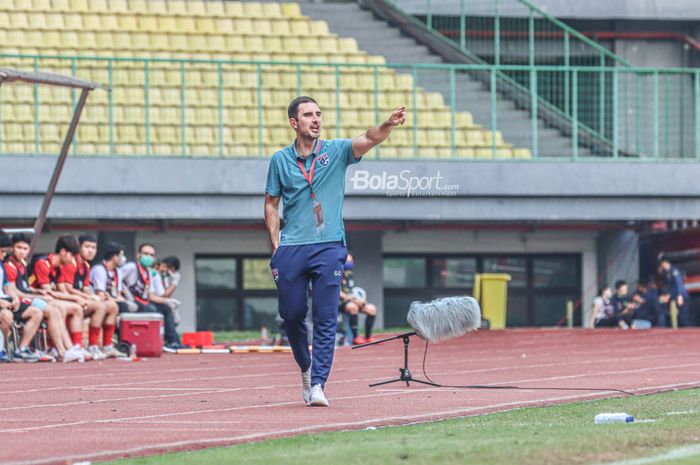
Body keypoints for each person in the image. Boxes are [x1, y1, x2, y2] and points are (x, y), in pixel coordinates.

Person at [265, 95, 406, 407]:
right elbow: (271, 204)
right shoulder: (280, 160)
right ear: (294, 122)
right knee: (291, 316)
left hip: (329, 246)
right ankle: (306, 367)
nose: (316, 119)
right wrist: (276, 246)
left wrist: (388, 124)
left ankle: (318, 384)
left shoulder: (336, 151)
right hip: (291, 248)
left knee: (327, 316)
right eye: (308, 115)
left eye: (318, 114)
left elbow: (369, 138)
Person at [3, 233, 83, 362]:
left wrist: (36, 292)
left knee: (56, 309)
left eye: (25, 249)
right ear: (12, 248)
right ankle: (62, 351)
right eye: (18, 248)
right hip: (18, 301)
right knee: (53, 310)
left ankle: (68, 349)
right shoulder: (9, 265)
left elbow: (25, 287)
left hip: (27, 298)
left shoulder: (21, 264)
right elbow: (13, 291)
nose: (22, 252)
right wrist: (35, 295)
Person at [30, 235, 97, 361]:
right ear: (62, 252)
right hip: (34, 297)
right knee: (60, 307)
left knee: (76, 309)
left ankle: (76, 347)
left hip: (47, 298)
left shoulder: (60, 267)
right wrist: (75, 298)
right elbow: (47, 292)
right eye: (72, 256)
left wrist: (75, 299)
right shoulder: (43, 263)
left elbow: (61, 290)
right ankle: (60, 349)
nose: (73, 260)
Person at [58, 234, 121, 358]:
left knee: (112, 306)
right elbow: (68, 288)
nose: (90, 250)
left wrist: (96, 296)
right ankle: (92, 346)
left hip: (81, 300)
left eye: (93, 247)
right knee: (99, 306)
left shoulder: (86, 266)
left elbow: (86, 288)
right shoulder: (72, 263)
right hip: (69, 299)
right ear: (79, 247)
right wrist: (90, 298)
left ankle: (107, 346)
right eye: (87, 247)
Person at [120, 243, 185, 350]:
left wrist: (167, 301)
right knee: (151, 309)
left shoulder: (149, 273)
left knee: (165, 308)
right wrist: (125, 295)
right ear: (138, 255)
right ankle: (155, 341)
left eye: (151, 255)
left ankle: (173, 341)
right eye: (145, 254)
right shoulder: (131, 267)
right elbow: (117, 280)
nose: (148, 257)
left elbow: (151, 296)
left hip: (142, 301)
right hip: (128, 301)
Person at [339, 253, 377, 345]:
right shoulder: (337, 272)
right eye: (347, 261)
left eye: (351, 261)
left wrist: (362, 300)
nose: (349, 263)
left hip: (352, 301)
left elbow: (352, 291)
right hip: (340, 303)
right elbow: (338, 293)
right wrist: (355, 300)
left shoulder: (350, 274)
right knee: (353, 307)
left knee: (372, 309)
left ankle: (368, 337)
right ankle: (356, 337)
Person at [659, 257, 691, 327]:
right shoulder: (667, 273)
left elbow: (679, 283)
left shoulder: (674, 271)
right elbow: (671, 286)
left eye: (663, 265)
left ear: (667, 263)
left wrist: (680, 295)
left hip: (681, 297)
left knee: (683, 318)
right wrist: (669, 295)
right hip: (674, 297)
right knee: (677, 317)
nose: (663, 267)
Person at [154, 256, 182, 325]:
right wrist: (175, 282)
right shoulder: (156, 274)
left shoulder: (165, 277)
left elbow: (168, 295)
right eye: (172, 270)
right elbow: (164, 295)